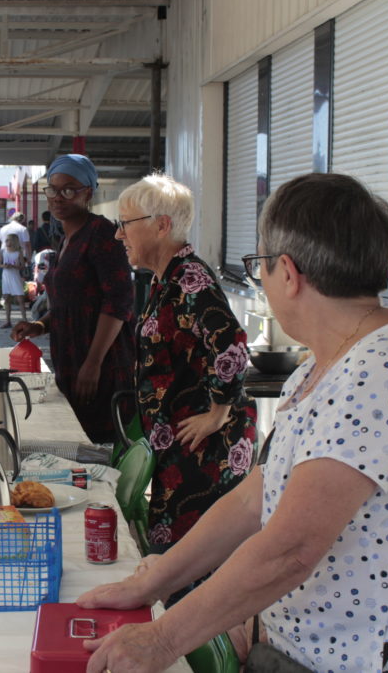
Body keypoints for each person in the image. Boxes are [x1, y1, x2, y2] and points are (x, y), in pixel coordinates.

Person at [76, 173, 388, 673]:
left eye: (258, 265)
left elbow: (290, 549)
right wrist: (149, 585)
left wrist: (162, 639)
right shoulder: (322, 365)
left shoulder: (382, 371)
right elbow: (252, 500)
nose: (261, 281)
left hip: (386, 663)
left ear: (286, 272)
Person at [115, 173, 257, 554]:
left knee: (189, 562)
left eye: (124, 224)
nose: (118, 235)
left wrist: (218, 412)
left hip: (203, 456)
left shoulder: (189, 279)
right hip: (181, 451)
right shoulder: (168, 279)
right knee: (177, 557)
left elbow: (232, 345)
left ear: (161, 226)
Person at [12, 154, 135, 443]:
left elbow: (118, 303)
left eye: (69, 189)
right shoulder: (67, 239)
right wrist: (39, 326)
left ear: (88, 192)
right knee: (76, 442)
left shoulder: (102, 233)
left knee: (100, 448)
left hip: (102, 365)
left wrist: (93, 364)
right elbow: (73, 304)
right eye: (52, 189)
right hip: (71, 360)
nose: (57, 197)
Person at [0, 233, 27, 328]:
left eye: (8, 240)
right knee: (7, 299)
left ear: (13, 241)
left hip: (15, 275)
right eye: (6, 240)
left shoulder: (19, 252)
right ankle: (8, 321)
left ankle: (25, 320)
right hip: (6, 275)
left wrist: (14, 266)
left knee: (20, 299)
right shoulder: (3, 251)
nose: (6, 242)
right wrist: (4, 266)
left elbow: (22, 266)